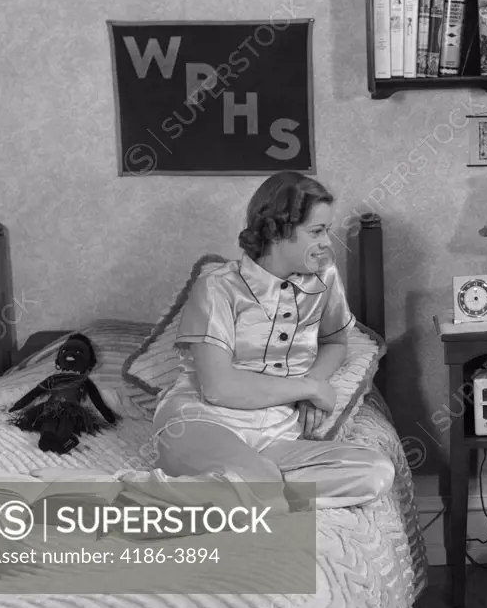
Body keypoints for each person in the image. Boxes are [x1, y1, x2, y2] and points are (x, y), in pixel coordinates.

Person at [150, 171, 395, 509]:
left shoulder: (324, 279)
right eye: (317, 231)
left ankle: (246, 494)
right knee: (258, 482)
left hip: (276, 433)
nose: (327, 242)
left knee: (376, 472)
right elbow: (218, 388)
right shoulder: (217, 286)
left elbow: (336, 342)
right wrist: (308, 389)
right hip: (203, 421)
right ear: (278, 230)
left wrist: (314, 379)